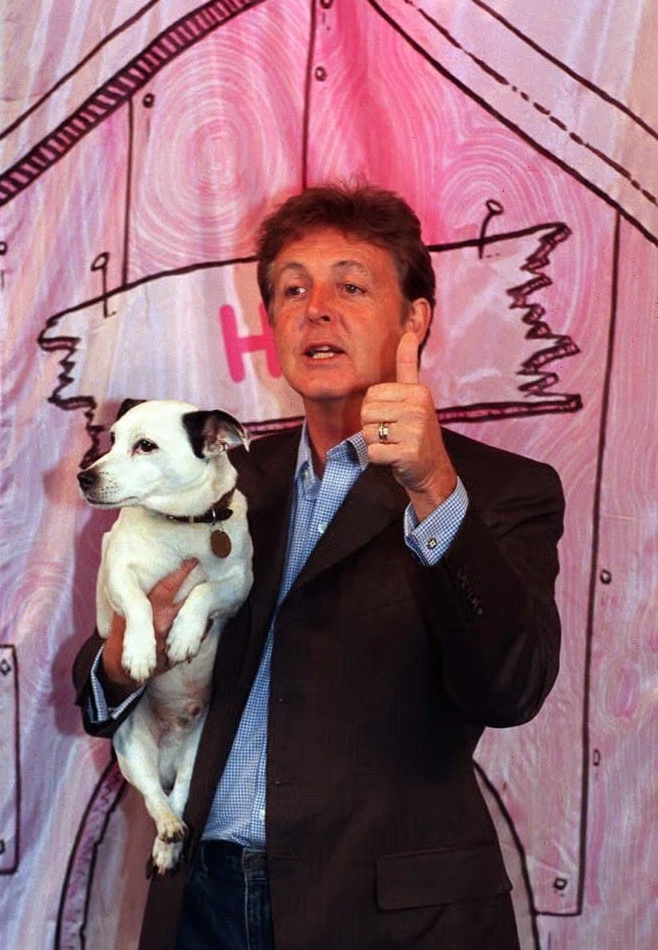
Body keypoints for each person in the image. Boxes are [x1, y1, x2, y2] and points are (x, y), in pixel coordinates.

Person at [73, 183, 564, 950]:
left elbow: (510, 687)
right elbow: (97, 682)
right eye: (293, 288)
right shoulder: (220, 483)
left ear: (415, 318)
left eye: (352, 285)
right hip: (201, 905)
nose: (317, 308)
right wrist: (123, 654)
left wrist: (433, 487)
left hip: (388, 920)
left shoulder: (500, 491)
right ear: (271, 324)